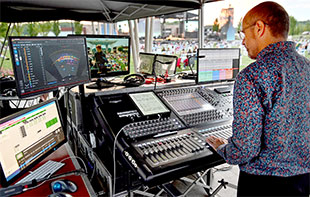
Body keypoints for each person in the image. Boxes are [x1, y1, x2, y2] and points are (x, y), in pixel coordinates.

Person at [206, 2, 310, 196]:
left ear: (260, 28)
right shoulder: (307, 67)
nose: (243, 42)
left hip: (263, 185)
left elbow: (245, 150)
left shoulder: (252, 76)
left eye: (243, 34)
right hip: (303, 181)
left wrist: (223, 148)